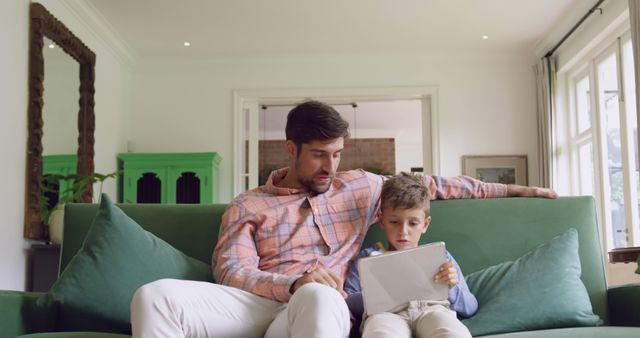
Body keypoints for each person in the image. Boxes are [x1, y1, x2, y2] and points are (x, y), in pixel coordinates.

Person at [130, 100, 557, 338]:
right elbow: (230, 270)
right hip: (259, 302)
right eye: (318, 154)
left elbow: (438, 185)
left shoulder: (362, 187)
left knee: (318, 297)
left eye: (336, 155)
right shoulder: (249, 204)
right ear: (291, 149)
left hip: (320, 307)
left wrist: (522, 190)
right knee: (153, 297)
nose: (329, 167)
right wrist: (292, 283)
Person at [344, 172, 475, 338]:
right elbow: (348, 301)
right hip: (385, 313)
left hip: (432, 310)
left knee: (451, 332)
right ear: (382, 221)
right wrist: (374, 295)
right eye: (394, 222)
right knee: (380, 332)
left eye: (413, 223)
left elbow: (471, 307)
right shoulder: (368, 257)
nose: (403, 231)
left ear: (425, 224)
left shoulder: (441, 257)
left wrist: (452, 287)